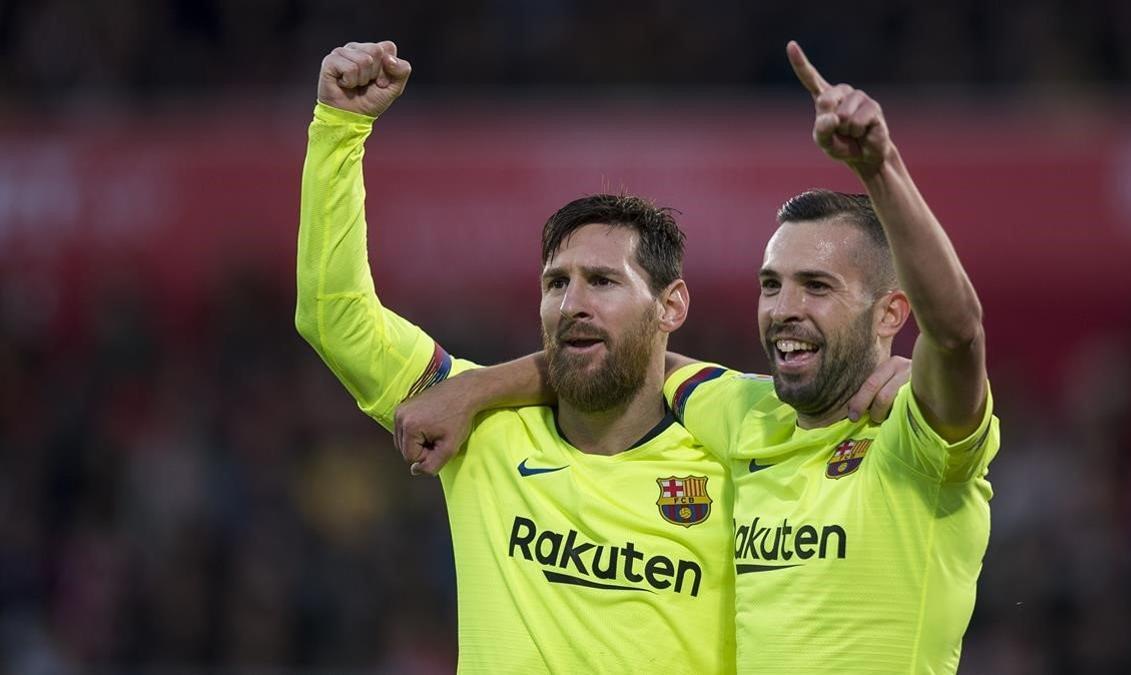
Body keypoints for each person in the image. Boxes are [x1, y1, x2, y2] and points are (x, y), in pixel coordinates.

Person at [395, 41, 999, 673]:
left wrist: (881, 170)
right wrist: (477, 388)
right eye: (771, 285)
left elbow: (957, 334)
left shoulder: (914, 440)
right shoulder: (743, 414)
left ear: (891, 315)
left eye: (816, 287)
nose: (783, 308)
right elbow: (630, 359)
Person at [295, 39, 745, 672]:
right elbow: (333, 314)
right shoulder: (479, 430)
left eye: (604, 281)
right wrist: (339, 129)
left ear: (672, 306)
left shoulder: (738, 461)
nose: (572, 304)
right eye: (557, 283)